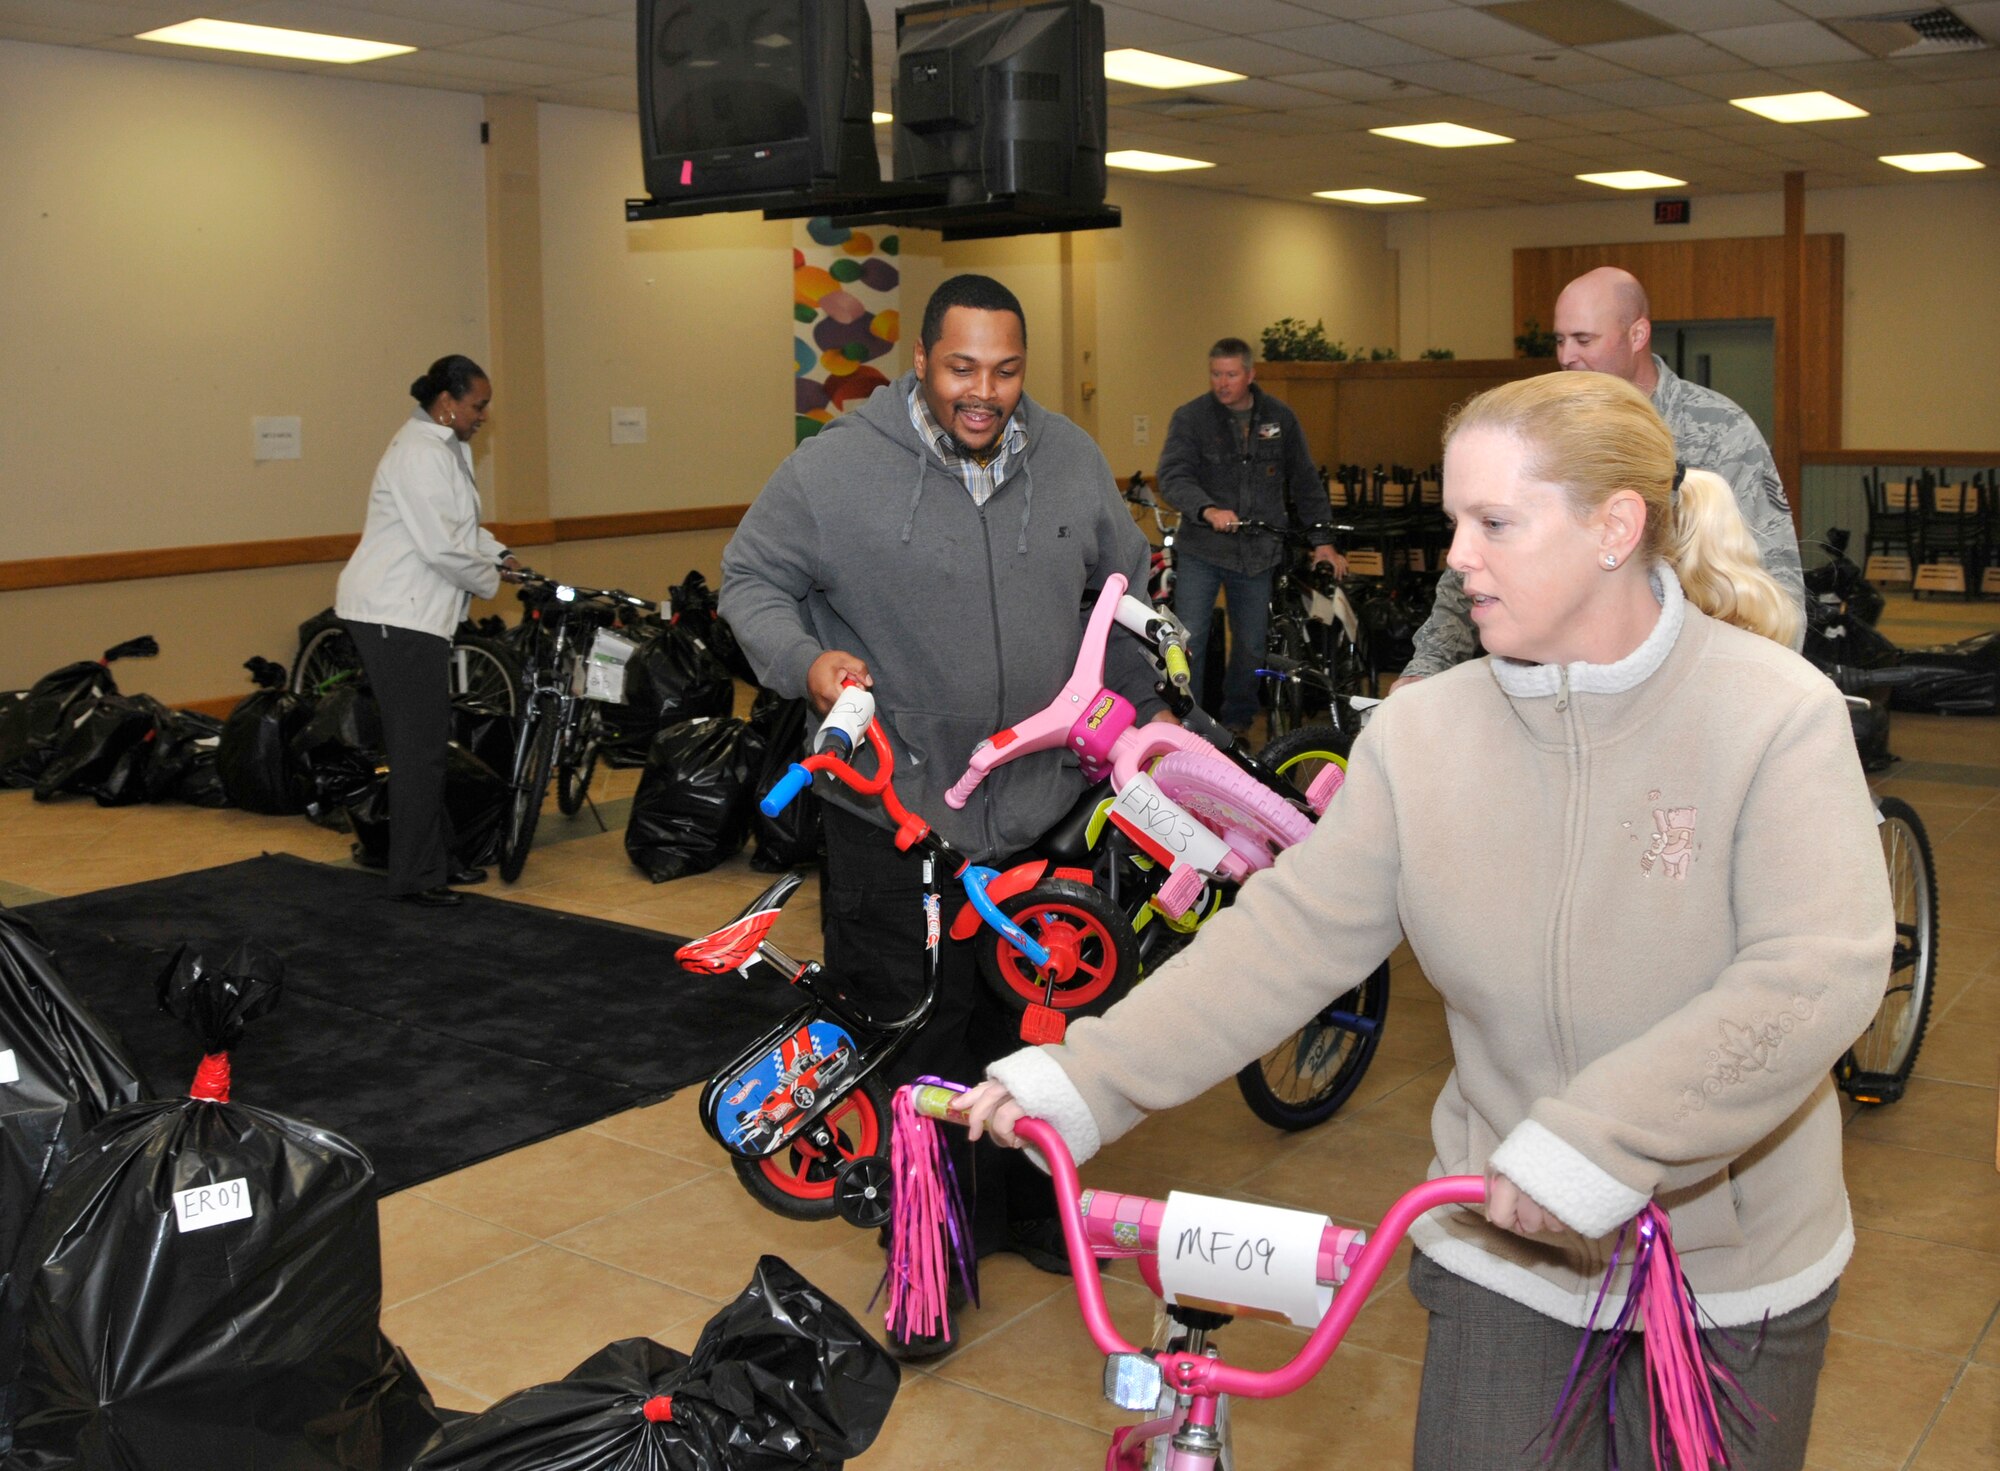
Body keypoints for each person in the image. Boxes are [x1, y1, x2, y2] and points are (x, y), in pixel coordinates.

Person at [954, 371, 1891, 1469]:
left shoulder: (1771, 714)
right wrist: (1090, 1077)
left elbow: (1811, 971)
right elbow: (1288, 936)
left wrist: (1601, 1138)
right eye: (1455, 521)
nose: (1455, 556)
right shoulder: (1422, 736)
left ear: (1613, 528)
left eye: (1493, 522)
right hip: (1510, 1247)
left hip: (1728, 1273)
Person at [718, 274, 1167, 1350]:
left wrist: (1129, 702)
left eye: (1005, 371)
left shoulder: (1066, 457)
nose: (984, 393)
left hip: (1047, 810)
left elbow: (1128, 584)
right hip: (896, 814)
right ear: (920, 360)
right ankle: (923, 1264)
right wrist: (807, 663)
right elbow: (749, 582)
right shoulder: (830, 472)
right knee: (921, 1046)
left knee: (1040, 1031)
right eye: (962, 368)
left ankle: (1026, 1211)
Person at [1397, 265, 1806, 688]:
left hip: (1683, 682)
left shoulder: (1719, 429)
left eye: (1584, 339)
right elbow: (1485, 553)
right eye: (1559, 339)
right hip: (1550, 685)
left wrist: (1760, 697)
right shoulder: (1548, 423)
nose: (1566, 356)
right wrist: (1427, 665)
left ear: (1637, 335)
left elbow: (1775, 582)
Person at [335, 355, 518, 908]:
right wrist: (490, 580)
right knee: (418, 751)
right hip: (394, 612)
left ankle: (439, 858)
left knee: (428, 743)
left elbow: (459, 528)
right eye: (478, 405)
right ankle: (415, 877)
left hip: (410, 614)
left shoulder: (444, 446)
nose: (483, 416)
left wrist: (499, 554)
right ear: (447, 404)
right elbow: (440, 547)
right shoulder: (420, 452)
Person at [1155, 338, 1344, 732]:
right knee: (1192, 639)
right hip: (1203, 549)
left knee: (1251, 644)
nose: (1222, 383)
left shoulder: (1280, 418)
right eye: (1215, 374)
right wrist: (1206, 509)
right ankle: (1193, 724)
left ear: (1250, 374)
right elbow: (1173, 476)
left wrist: (1322, 540)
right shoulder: (1191, 418)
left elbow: (1305, 480)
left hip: (1258, 551)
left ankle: (1238, 723)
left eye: (1231, 375)